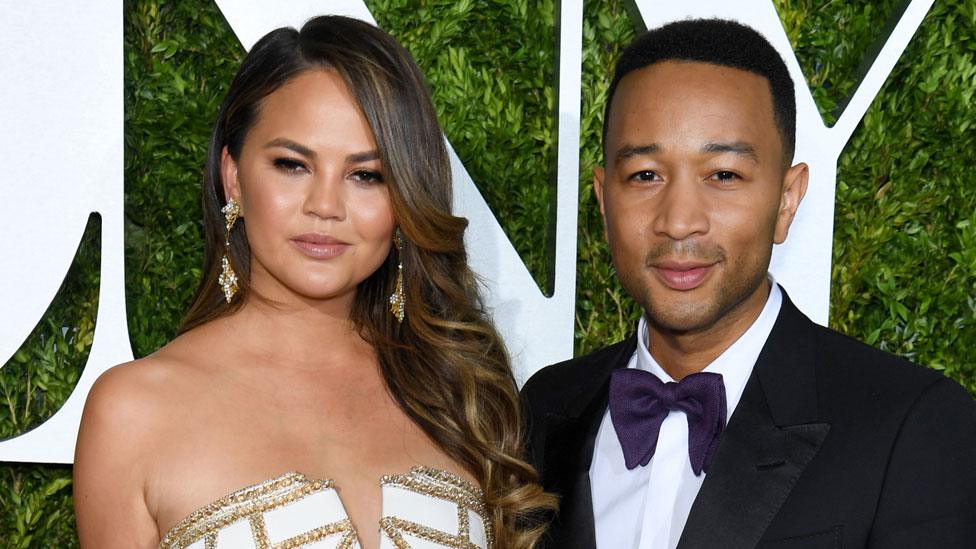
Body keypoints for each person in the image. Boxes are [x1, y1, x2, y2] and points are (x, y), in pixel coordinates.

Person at [74, 15, 552, 549]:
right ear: (233, 175)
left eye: (366, 175)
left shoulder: (458, 391)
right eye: (292, 165)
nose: (325, 206)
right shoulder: (133, 411)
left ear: (405, 199)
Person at [522, 18, 976, 549]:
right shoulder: (542, 409)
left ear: (786, 200)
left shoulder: (913, 427)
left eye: (724, 175)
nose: (680, 220)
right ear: (603, 201)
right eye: (645, 175)